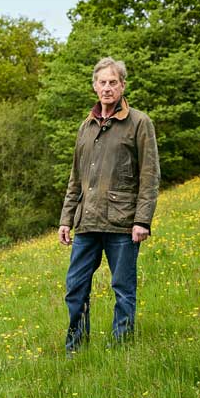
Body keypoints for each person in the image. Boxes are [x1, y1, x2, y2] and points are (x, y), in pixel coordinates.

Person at [57, 56, 160, 352]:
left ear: (123, 86)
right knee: (75, 287)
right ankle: (76, 347)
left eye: (113, 82)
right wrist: (66, 219)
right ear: (94, 86)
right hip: (86, 223)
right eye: (102, 82)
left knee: (123, 289)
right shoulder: (86, 126)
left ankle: (122, 349)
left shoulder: (139, 123)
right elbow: (75, 177)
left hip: (123, 223)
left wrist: (142, 220)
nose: (107, 88)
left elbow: (150, 175)